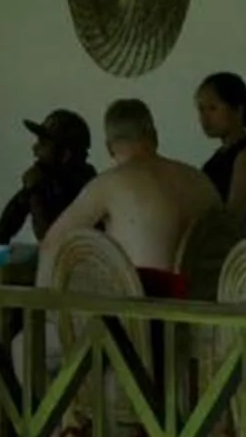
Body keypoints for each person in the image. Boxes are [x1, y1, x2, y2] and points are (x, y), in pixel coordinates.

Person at [37, 98, 221, 294]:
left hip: (143, 314)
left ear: (109, 147)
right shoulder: (201, 181)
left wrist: (44, 315)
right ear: (154, 137)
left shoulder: (109, 183)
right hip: (205, 315)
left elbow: (52, 244)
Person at [0, 110, 98, 248]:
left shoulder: (85, 185)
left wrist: (34, 192)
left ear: (65, 154)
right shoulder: (50, 178)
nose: (34, 149)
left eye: (43, 144)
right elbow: (11, 218)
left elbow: (51, 241)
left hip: (79, 262)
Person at [194, 71, 246, 235]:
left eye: (213, 108)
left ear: (237, 109)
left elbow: (233, 218)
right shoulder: (222, 154)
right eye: (201, 109)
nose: (204, 118)